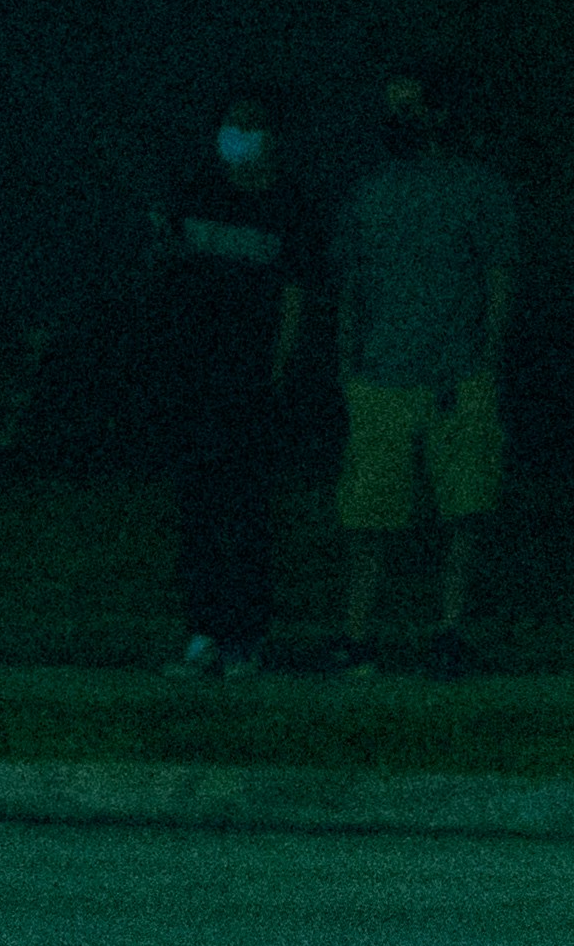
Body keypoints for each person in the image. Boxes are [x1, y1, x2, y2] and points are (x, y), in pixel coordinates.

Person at [332, 77, 519, 675]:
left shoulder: (480, 188)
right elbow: (351, 285)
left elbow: (497, 279)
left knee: (462, 509)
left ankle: (449, 631)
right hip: (381, 374)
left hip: (454, 374)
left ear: (441, 112)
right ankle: (358, 636)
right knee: (369, 511)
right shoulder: (368, 192)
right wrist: (347, 366)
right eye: (393, 109)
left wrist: (485, 358)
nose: (398, 118)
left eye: (410, 107)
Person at [158, 91, 302, 678]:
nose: (236, 135)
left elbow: (296, 293)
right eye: (229, 125)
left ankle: (246, 636)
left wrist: (277, 368)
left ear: (272, 135)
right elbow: (166, 273)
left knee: (246, 510)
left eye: (249, 125)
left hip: (249, 380)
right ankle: (203, 633)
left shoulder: (288, 205)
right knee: (197, 507)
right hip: (195, 378)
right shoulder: (195, 193)